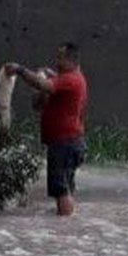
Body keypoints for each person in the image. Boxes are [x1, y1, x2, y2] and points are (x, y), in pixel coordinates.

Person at [6, 43, 88, 217]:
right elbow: (41, 98)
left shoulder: (70, 79)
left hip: (65, 143)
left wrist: (19, 70)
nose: (56, 62)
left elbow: (42, 85)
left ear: (71, 60)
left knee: (61, 189)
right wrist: (50, 76)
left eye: (60, 58)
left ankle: (61, 231)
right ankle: (67, 229)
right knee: (65, 186)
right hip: (69, 142)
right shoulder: (70, 78)